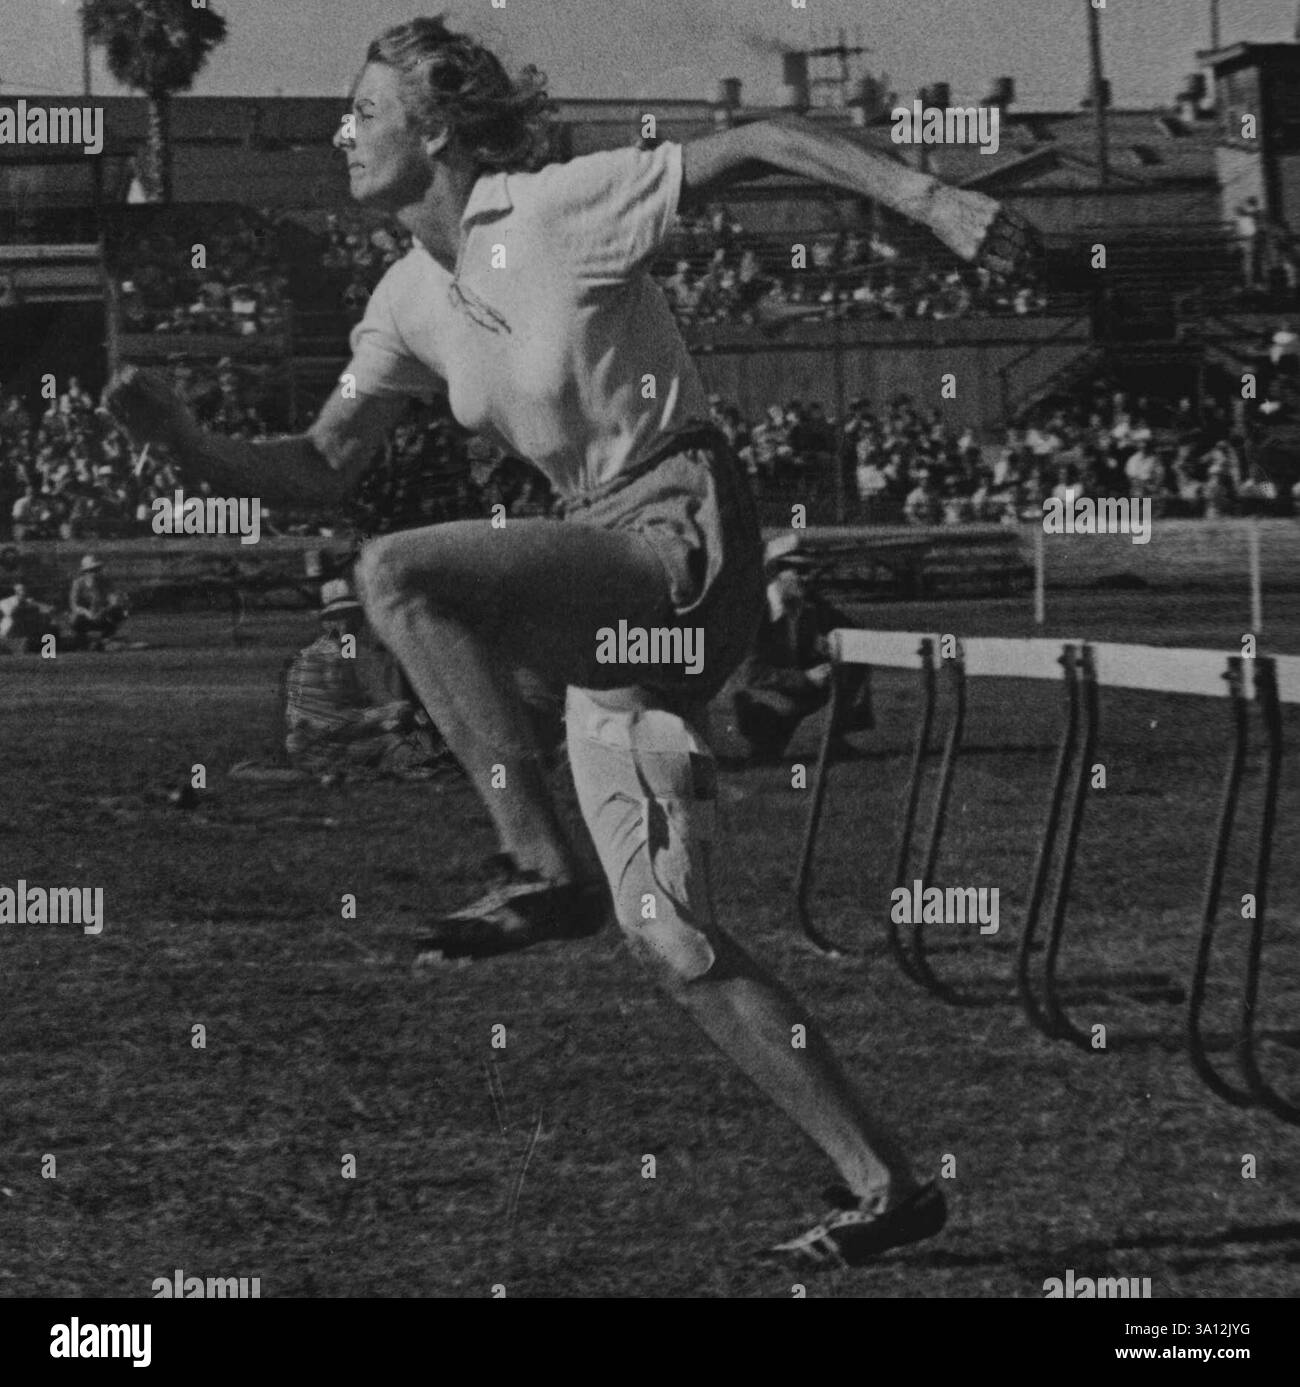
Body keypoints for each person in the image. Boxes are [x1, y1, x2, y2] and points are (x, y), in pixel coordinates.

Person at [102, 14, 1038, 1268]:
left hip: (681, 532)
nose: (338, 131)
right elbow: (322, 463)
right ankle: (887, 1186)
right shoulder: (404, 297)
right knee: (674, 937)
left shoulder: (549, 210)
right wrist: (183, 446)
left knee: (399, 577)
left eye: (360, 111)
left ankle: (541, 865)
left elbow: (759, 137)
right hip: (599, 570)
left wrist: (934, 202)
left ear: (433, 128)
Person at [283, 578, 447, 779]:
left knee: (399, 738)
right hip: (319, 746)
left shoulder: (347, 655)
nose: (346, 625)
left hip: (335, 740)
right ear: (326, 623)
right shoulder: (320, 658)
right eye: (336, 618)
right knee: (392, 745)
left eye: (352, 617)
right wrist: (382, 715)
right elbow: (326, 722)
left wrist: (394, 714)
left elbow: (365, 700)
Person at [732, 553, 874, 764]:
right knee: (767, 750)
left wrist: (828, 643)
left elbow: (851, 632)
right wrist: (806, 678)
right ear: (774, 573)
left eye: (808, 572)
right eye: (797, 572)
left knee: (854, 661)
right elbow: (750, 674)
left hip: (788, 683)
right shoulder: (753, 612)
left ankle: (834, 739)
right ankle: (762, 744)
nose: (806, 579)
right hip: (755, 693)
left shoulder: (809, 602)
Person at [67, 554, 128, 650]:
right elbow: (74, 604)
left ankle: (105, 639)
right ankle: (82, 640)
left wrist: (105, 609)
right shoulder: (78, 583)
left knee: (118, 612)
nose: (93, 573)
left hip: (101, 615)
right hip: (85, 617)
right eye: (90, 570)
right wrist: (87, 613)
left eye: (96, 570)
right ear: (85, 572)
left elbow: (113, 599)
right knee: (74, 619)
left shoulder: (105, 582)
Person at [0, 581, 59, 654]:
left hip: (27, 631)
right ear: (14, 592)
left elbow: (49, 610)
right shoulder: (5, 602)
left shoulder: (29, 602)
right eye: (20, 590)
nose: (23, 592)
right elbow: (12, 613)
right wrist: (24, 602)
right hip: (11, 631)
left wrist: (41, 606)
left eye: (24, 590)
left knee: (49, 623)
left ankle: (46, 648)